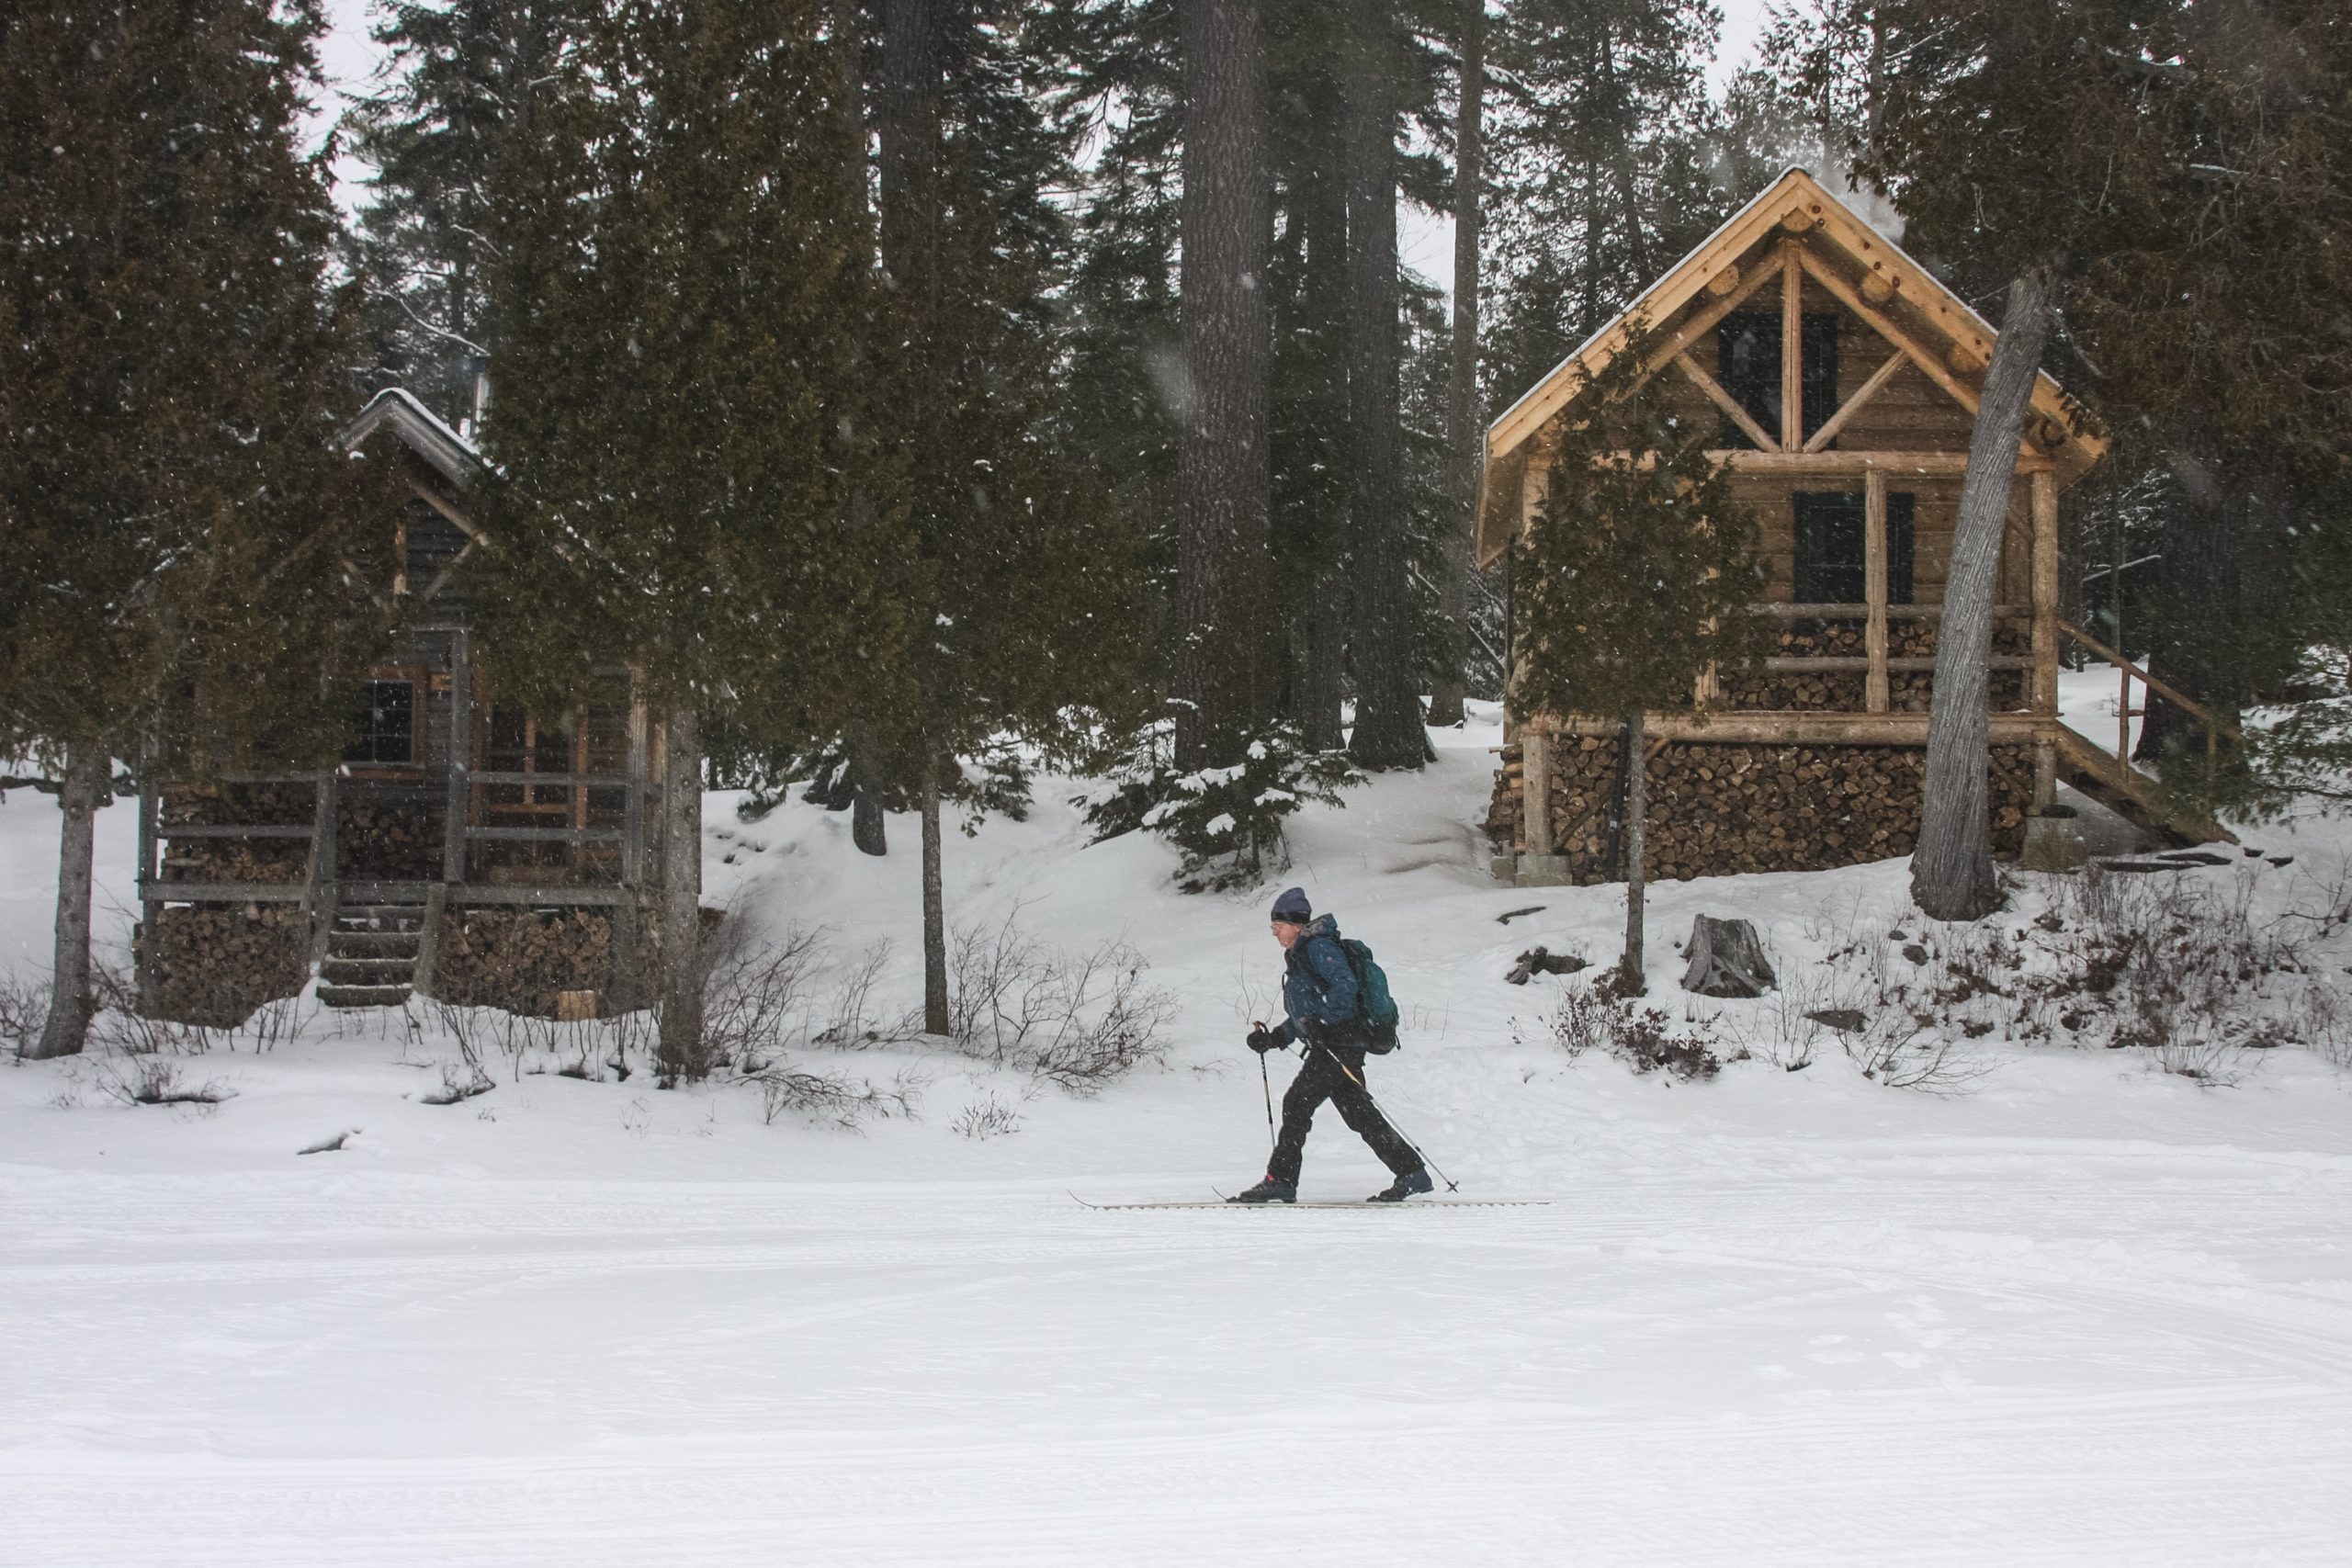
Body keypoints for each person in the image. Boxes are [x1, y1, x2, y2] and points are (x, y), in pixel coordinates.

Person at [1228, 887, 1432, 1203]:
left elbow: (1344, 987)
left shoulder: (1318, 948)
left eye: (1277, 926)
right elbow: (1307, 1014)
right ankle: (1411, 1172)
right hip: (1340, 1041)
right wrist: (1275, 1039)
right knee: (1359, 1113)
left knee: (1297, 1103)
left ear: (1296, 925)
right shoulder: (1305, 954)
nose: (1274, 933)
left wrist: (1325, 1022)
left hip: (1341, 1042)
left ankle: (1281, 1179)